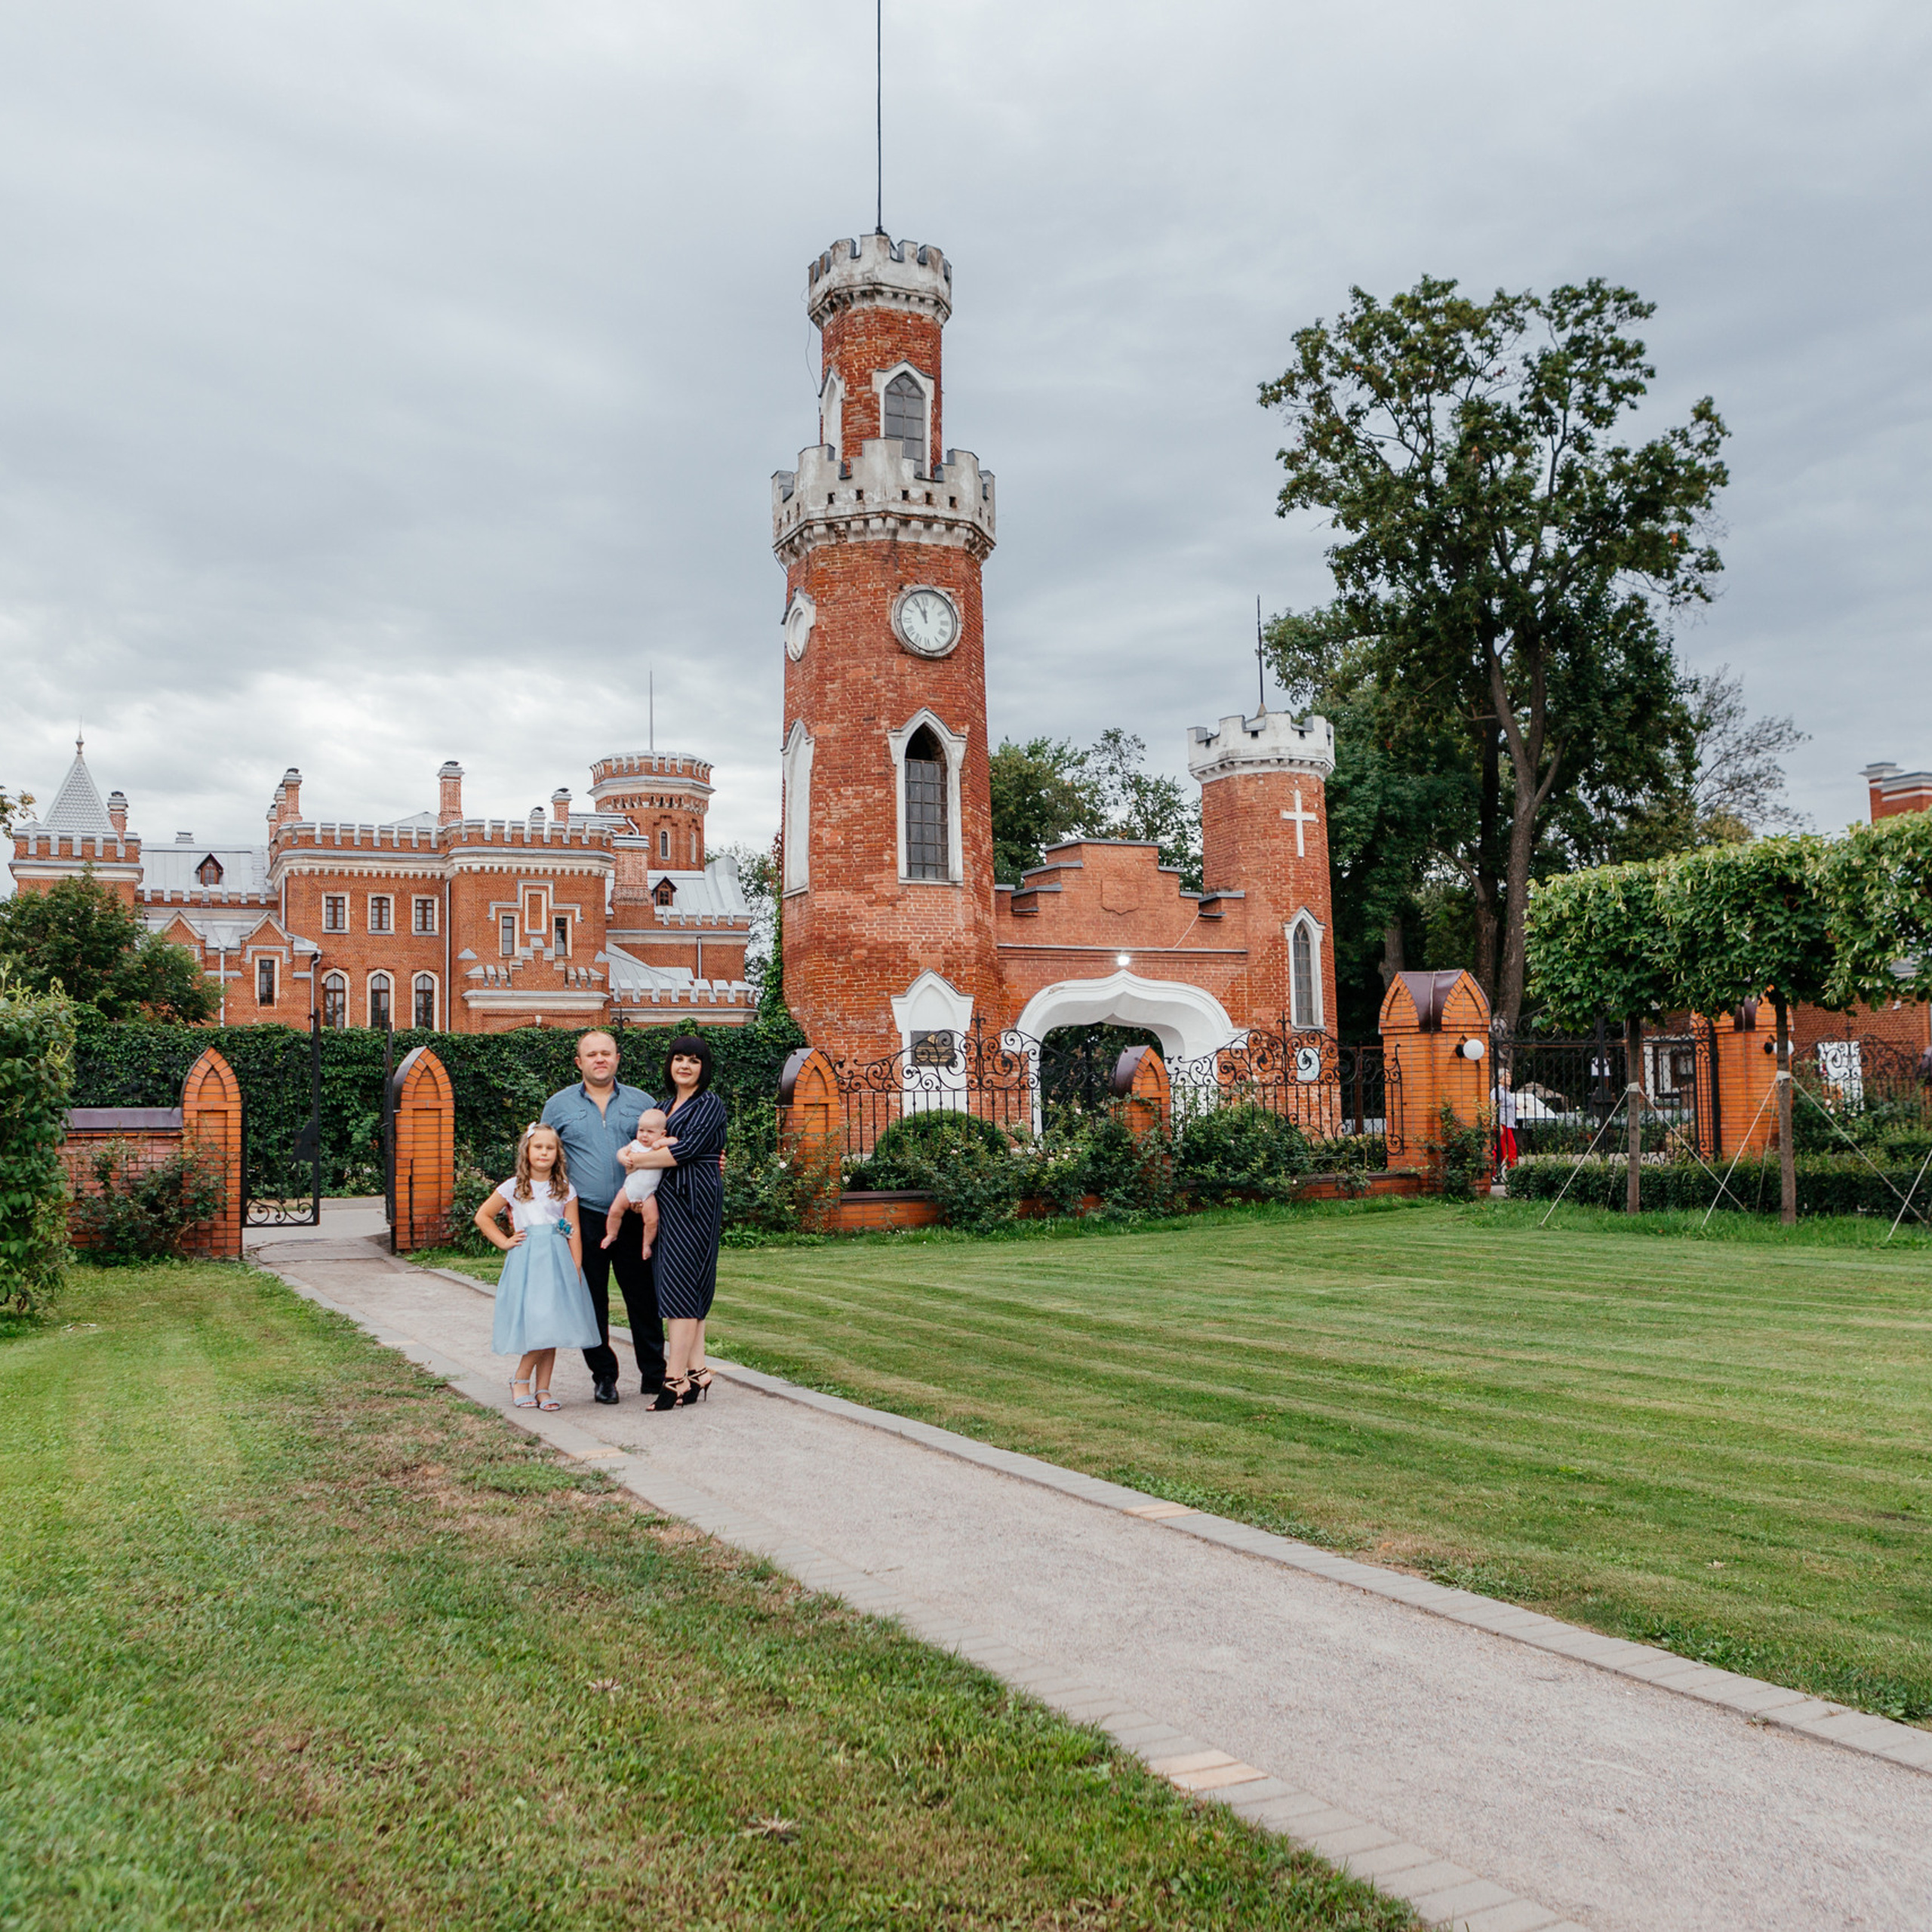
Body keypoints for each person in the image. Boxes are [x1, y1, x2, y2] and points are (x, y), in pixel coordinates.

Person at [539, 1030, 664, 1404]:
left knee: (643, 1297)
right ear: (579, 1062)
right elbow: (541, 1156)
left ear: (617, 1058)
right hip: (586, 1217)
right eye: (591, 1054)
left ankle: (655, 1375)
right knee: (591, 1300)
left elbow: (666, 1149)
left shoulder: (643, 1103)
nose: (599, 1059)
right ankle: (604, 1375)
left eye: (606, 1053)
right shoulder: (558, 1106)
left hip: (635, 1215)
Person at [624, 1035, 728, 1411]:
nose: (685, 1066)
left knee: (682, 1286)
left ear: (704, 1067)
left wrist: (637, 1160)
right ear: (670, 1064)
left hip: (695, 1200)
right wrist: (639, 1158)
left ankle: (673, 1380)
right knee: (681, 1285)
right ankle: (698, 1371)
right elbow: (642, 1142)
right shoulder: (663, 1106)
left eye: (694, 1060)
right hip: (667, 1201)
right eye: (679, 1059)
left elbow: (683, 1152)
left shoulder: (710, 1103)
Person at [474, 1124, 601, 1414]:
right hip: (529, 1261)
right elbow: (483, 1216)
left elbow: (575, 1229)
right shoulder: (514, 1186)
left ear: (558, 1154)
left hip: (558, 1261)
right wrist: (505, 1242)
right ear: (527, 1152)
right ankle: (520, 1379)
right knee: (541, 1321)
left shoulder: (566, 1188)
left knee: (553, 1324)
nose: (544, 1152)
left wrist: (576, 1267)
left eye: (550, 1148)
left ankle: (543, 1388)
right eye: (538, 1147)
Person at [603, 1108, 668, 1256]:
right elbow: (621, 1152)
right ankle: (611, 1234)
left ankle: (646, 1245)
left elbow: (676, 1142)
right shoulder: (635, 1145)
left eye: (650, 1132)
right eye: (641, 1130)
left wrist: (663, 1142)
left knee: (652, 1221)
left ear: (662, 1134)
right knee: (614, 1211)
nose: (644, 1135)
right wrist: (623, 1158)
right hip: (628, 1189)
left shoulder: (662, 1147)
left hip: (648, 1194)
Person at [1495, 1067, 1519, 1170]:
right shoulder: (1497, 1091)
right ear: (1500, 1079)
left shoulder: (1507, 1092)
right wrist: (1498, 1124)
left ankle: (1494, 1171)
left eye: (1510, 1076)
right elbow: (1494, 1108)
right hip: (1503, 1124)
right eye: (1506, 1076)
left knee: (1500, 1150)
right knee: (1510, 1148)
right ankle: (1512, 1171)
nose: (1509, 1079)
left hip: (1509, 1123)